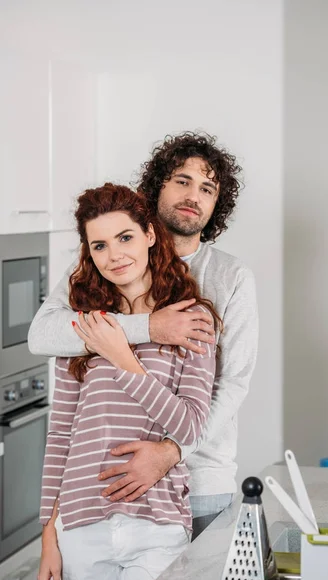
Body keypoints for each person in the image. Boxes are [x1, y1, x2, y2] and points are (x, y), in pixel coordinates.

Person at [29, 132, 259, 539]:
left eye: (207, 188)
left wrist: (170, 453)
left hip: (202, 480)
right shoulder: (105, 261)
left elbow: (233, 382)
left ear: (216, 204)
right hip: (108, 478)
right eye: (182, 181)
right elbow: (43, 336)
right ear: (157, 187)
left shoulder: (230, 277)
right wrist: (149, 327)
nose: (194, 195)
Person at [38, 183, 219, 580]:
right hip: (80, 526)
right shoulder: (83, 329)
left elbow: (190, 426)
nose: (114, 255)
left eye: (125, 238)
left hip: (156, 523)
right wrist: (48, 535)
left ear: (150, 235)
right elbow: (60, 436)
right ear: (89, 254)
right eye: (99, 245)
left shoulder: (192, 320)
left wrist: (122, 357)